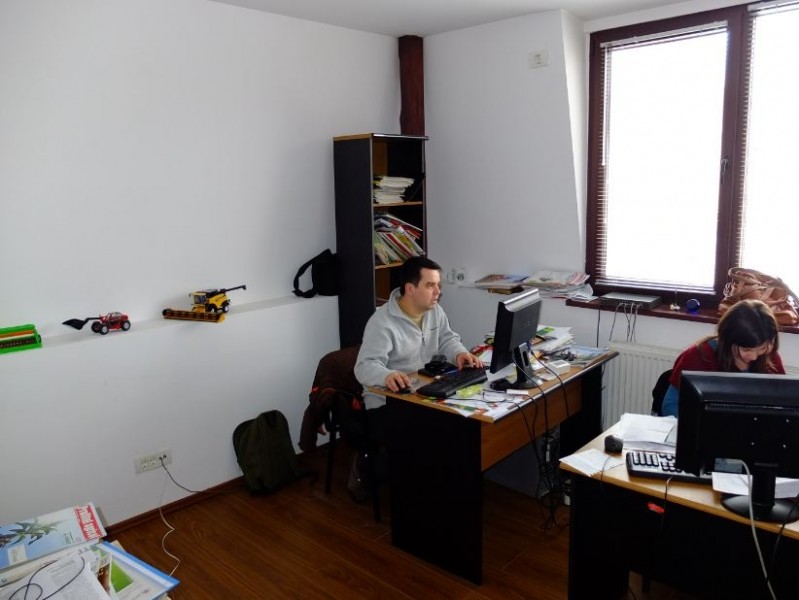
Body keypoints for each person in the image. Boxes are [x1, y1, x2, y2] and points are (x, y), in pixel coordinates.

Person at [348, 256, 484, 500]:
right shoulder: (382, 323)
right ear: (410, 289)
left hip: (423, 391)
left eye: (438, 285)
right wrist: (388, 374)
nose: (438, 292)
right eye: (430, 285)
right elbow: (364, 367)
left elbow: (447, 338)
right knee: (433, 434)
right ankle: (378, 471)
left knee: (463, 423)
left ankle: (445, 487)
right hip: (386, 402)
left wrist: (459, 353)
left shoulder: (434, 311)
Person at [661, 299, 785, 417]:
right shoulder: (698, 356)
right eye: (746, 349)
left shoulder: (770, 358)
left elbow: (785, 406)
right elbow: (670, 405)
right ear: (728, 340)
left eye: (762, 348)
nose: (754, 357)